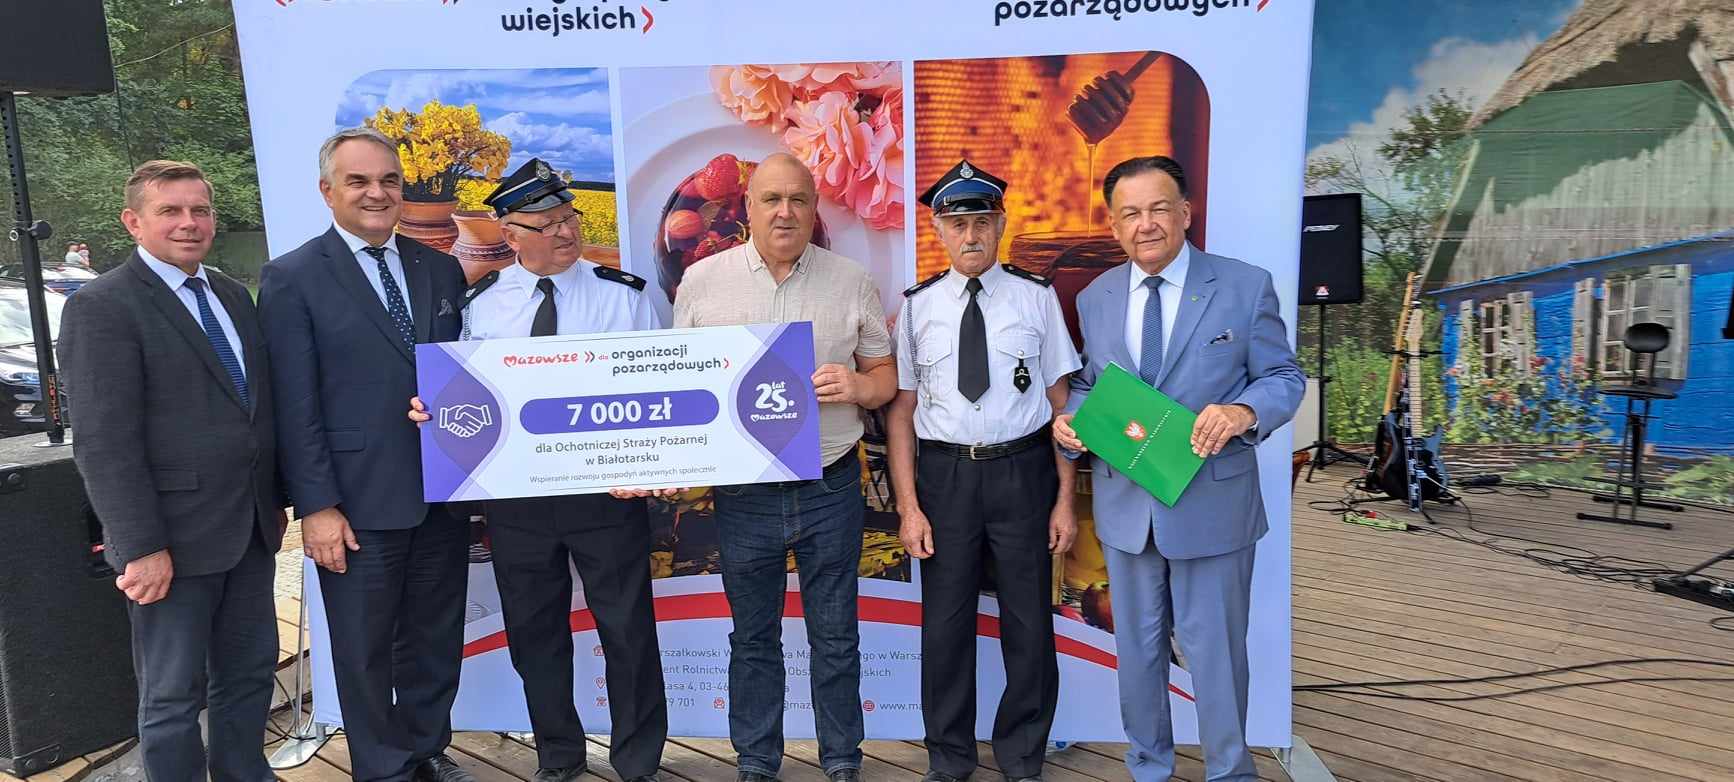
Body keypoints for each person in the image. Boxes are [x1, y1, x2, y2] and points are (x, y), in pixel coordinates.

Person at [408, 158, 667, 782]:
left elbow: (659, 390)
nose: (565, 231)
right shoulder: (481, 305)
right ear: (510, 234)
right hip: (517, 499)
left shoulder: (623, 296)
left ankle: (638, 761)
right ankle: (558, 756)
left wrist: (652, 464)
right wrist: (434, 411)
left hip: (608, 492)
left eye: (568, 218)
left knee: (628, 630)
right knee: (534, 632)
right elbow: (465, 396)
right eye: (546, 224)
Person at [1053, 156, 1303, 782]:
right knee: (1136, 653)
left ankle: (1230, 771)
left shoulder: (1245, 286)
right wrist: (1073, 421)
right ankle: (1148, 767)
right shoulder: (1096, 296)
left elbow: (1283, 377)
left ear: (1186, 213)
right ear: (1114, 226)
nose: (1146, 224)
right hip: (1126, 509)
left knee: (1214, 653)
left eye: (1159, 209)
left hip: (1212, 506)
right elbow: (1090, 384)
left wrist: (1244, 411)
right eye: (1131, 213)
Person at [672, 152, 897, 782]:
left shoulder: (850, 280)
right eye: (771, 199)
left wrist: (859, 386)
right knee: (752, 637)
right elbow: (679, 385)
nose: (785, 212)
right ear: (747, 207)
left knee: (836, 634)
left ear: (814, 208)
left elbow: (884, 377)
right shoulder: (702, 282)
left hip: (830, 483)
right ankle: (756, 760)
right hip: (743, 493)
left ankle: (842, 758)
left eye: (798, 199)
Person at [58, 160, 285, 782]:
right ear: (133, 222)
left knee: (248, 676)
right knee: (172, 696)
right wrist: (141, 547)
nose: (189, 223)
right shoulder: (102, 306)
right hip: (171, 542)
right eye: (170, 211)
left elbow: (254, 411)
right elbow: (103, 442)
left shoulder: (232, 295)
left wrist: (278, 500)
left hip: (249, 531)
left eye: (200, 210)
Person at [258, 128, 473, 782]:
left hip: (442, 491)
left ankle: (426, 750)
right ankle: (383, 769)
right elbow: (293, 405)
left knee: (434, 639)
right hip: (354, 503)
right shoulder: (292, 277)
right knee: (363, 649)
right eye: (359, 181)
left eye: (388, 180)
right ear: (328, 191)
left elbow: (461, 374)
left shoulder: (439, 267)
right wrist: (317, 507)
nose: (377, 193)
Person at [887, 160, 1080, 782]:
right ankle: (949, 757)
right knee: (945, 625)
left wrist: (1064, 499)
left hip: (1023, 472)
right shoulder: (917, 308)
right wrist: (909, 507)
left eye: (980, 222)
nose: (969, 236)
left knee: (1028, 620)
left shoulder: (1036, 297)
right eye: (957, 224)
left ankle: (1022, 754)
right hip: (945, 478)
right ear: (938, 231)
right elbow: (901, 412)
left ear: (1000, 225)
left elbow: (1061, 405)